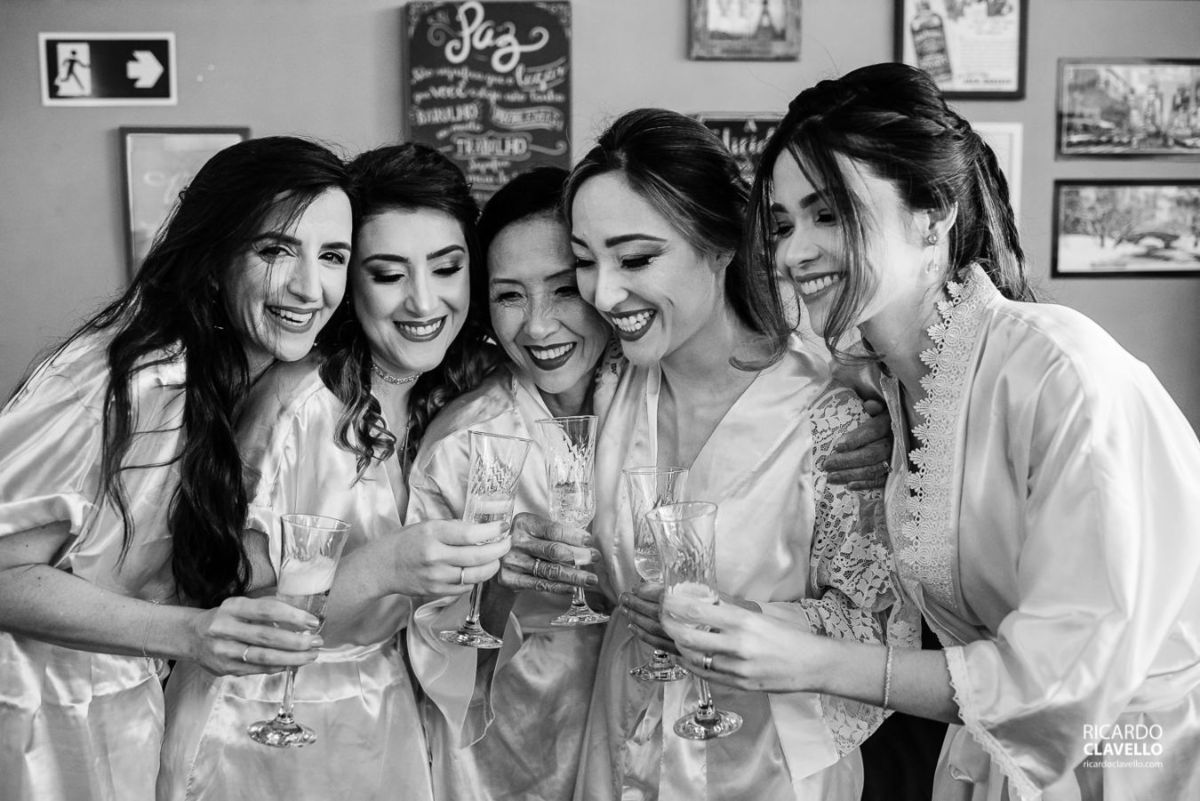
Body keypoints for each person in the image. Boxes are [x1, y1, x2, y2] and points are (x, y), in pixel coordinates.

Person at [663, 62, 1200, 801]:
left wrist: (810, 661)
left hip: (1133, 757)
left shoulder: (1061, 374)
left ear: (933, 214)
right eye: (783, 224)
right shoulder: (896, 384)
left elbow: (1059, 678)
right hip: (999, 753)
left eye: (830, 214)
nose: (792, 251)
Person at [563, 108, 914, 801]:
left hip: (763, 774)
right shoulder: (607, 387)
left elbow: (879, 636)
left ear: (722, 241)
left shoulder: (830, 416)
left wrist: (738, 623)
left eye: (635, 259)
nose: (602, 292)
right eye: (583, 260)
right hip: (619, 752)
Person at [0, 136, 352, 801]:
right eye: (275, 250)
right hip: (35, 730)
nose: (311, 286)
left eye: (332, 255)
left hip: (120, 714)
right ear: (215, 257)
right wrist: (188, 633)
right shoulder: (123, 382)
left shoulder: (249, 382)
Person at [157, 143, 507, 801]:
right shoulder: (300, 403)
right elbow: (236, 614)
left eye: (446, 268)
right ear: (350, 284)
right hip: (262, 724)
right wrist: (382, 568)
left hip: (383, 710)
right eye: (388, 273)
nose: (423, 301)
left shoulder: (455, 393)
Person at [405, 167, 615, 801]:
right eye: (510, 296)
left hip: (651, 727)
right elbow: (434, 656)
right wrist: (496, 582)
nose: (538, 327)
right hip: (514, 746)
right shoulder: (464, 444)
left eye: (564, 289)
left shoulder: (662, 402)